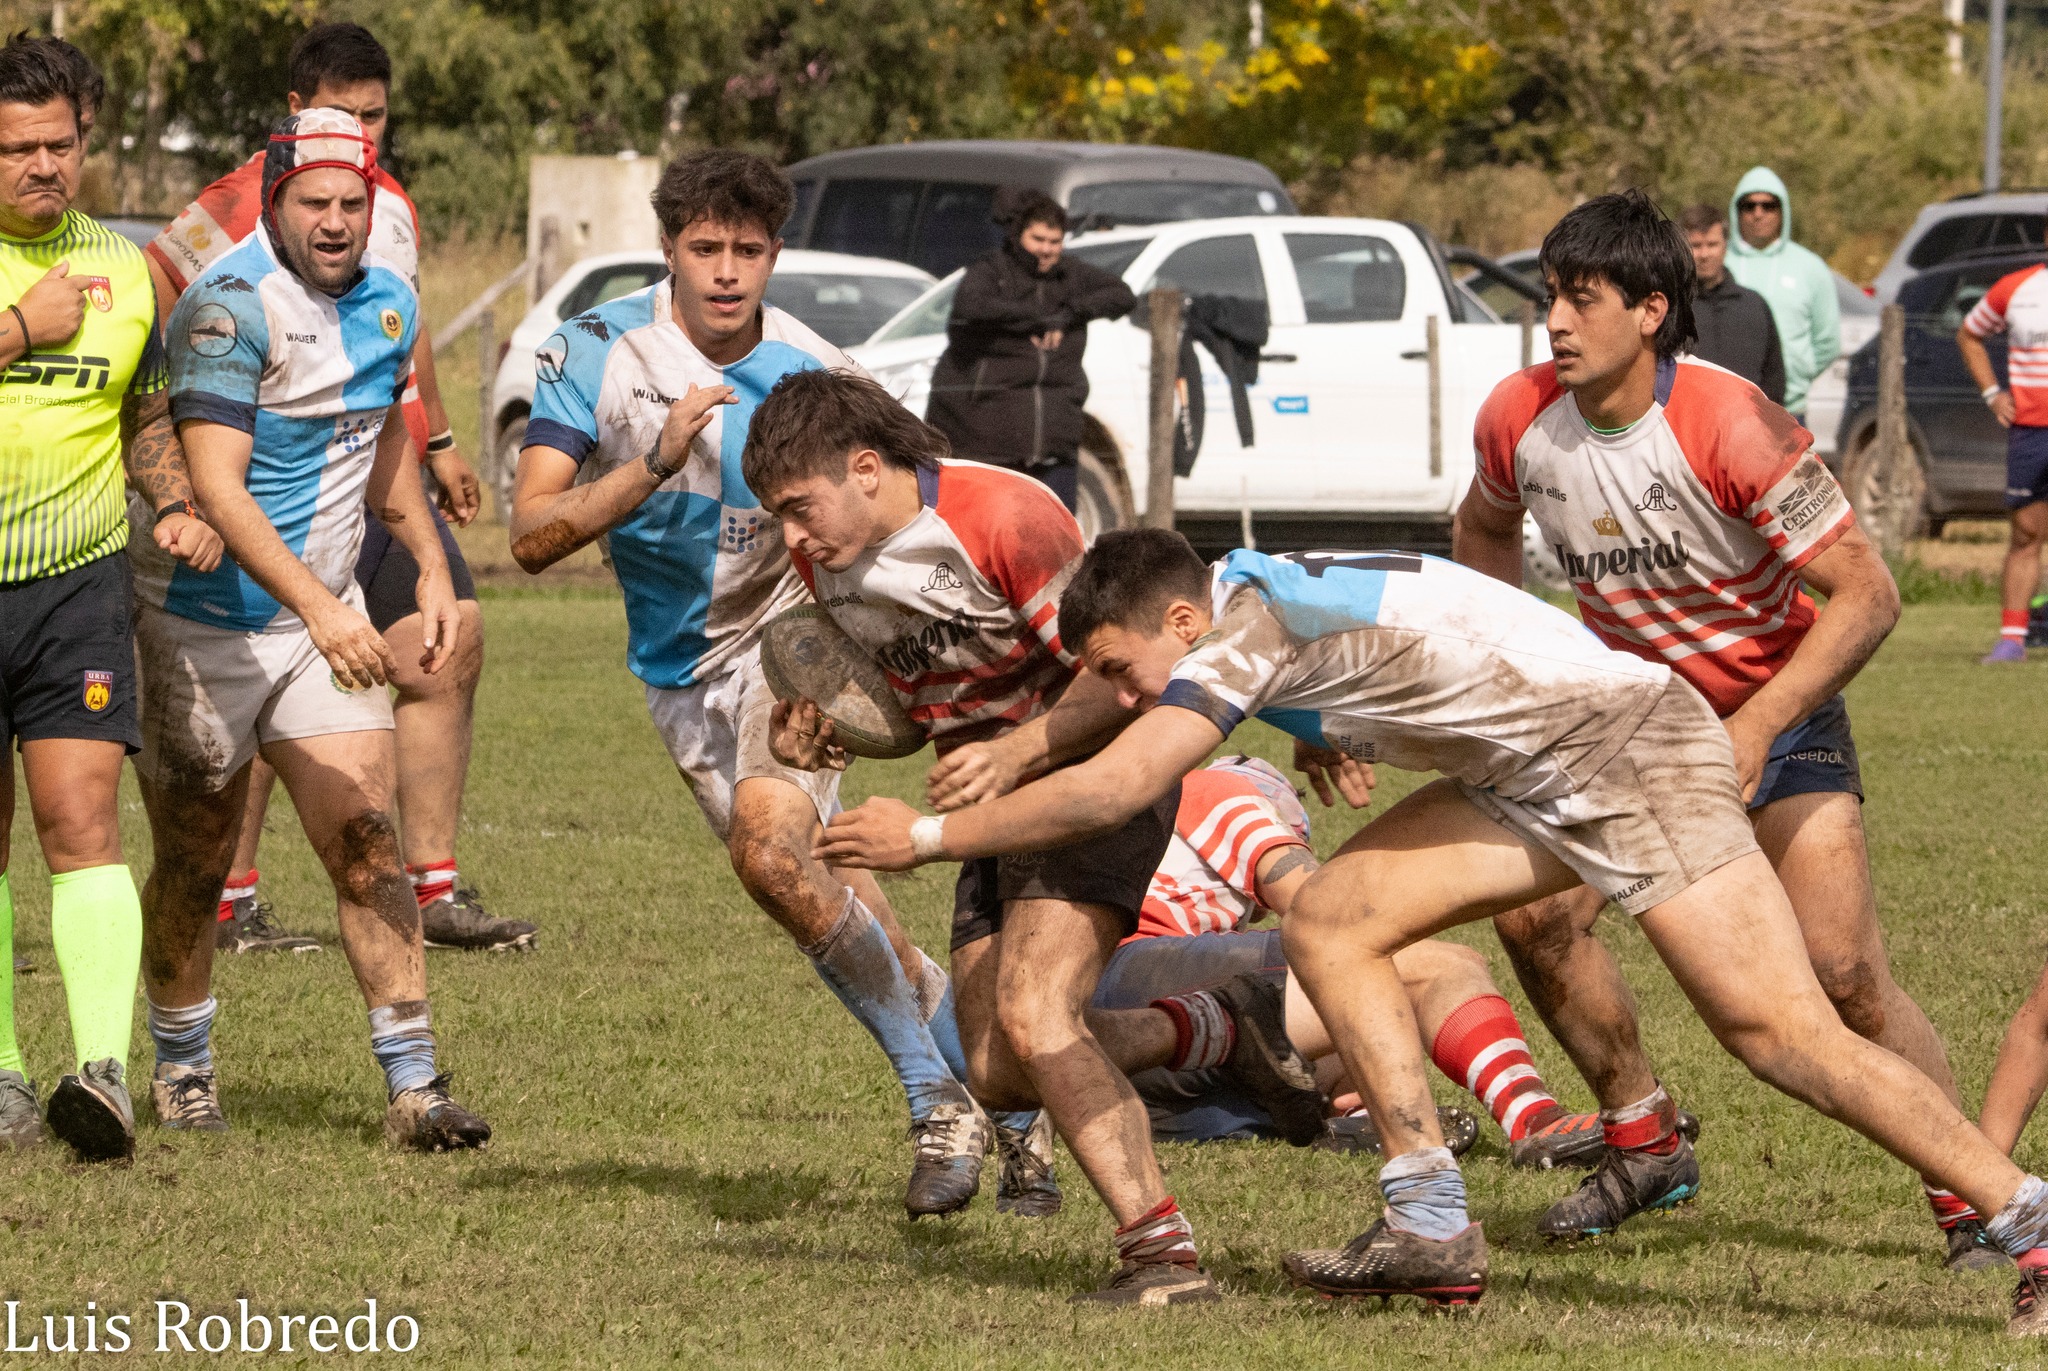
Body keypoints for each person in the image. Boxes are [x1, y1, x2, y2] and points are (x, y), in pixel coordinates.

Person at [815, 545, 2048, 1325]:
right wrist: (1317, 725)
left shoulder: (1242, 631)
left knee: (1777, 1034)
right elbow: (1401, 638)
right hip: (1539, 766)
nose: (1128, 697)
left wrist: (922, 837)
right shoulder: (1247, 597)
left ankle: (2026, 1223)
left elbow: (1115, 785)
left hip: (1622, 748)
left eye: (1124, 671)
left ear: (1182, 623)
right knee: (1331, 919)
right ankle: (1425, 1220)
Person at [1458, 191, 1999, 1268]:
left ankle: (1978, 1203)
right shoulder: (1515, 417)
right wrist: (1509, 669)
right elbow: (1481, 527)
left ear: (1651, 310)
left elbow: (1868, 595)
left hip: (1777, 714)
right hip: (1632, 727)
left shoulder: (1733, 423)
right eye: (1550, 298)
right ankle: (1644, 1140)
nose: (1554, 322)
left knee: (1843, 977)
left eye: (1581, 299)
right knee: (1536, 922)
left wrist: (1756, 724)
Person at [742, 368, 1329, 1305]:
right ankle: (1225, 1024)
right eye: (777, 515)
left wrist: (1015, 750)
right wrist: (821, 730)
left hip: (1088, 783)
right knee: (999, 1070)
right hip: (988, 812)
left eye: (798, 507)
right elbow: (916, 699)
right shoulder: (827, 562)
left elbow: (1114, 667)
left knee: (1037, 1012)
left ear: (865, 468)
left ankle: (1163, 1256)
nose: (790, 537)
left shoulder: (1003, 518)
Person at [507, 149, 994, 1218]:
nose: (726, 271)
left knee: (771, 857)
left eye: (748, 250)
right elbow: (531, 536)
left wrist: (870, 651)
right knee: (827, 893)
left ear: (776, 252)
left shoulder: (821, 372)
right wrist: (650, 463)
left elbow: (916, 505)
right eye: (704, 248)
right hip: (676, 671)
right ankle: (1003, 1090)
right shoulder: (595, 350)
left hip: (792, 647)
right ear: (668, 248)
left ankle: (936, 1103)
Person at [130, 109, 489, 1150]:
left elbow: (383, 450)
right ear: (275, 202)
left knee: (367, 839)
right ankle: (183, 1064)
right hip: (199, 627)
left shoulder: (390, 302)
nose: (335, 222)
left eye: (351, 203)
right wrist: (325, 608)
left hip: (314, 626)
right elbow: (218, 489)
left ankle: (415, 1087)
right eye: (313, 202)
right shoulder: (228, 306)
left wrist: (427, 562)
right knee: (195, 863)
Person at [143, 22, 532, 954]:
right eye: (340, 114)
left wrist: (441, 440)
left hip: (366, 474)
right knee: (268, 657)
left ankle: (431, 888)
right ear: (294, 113)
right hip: (249, 489)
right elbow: (157, 297)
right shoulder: (233, 202)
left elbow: (402, 330)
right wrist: (181, 467)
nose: (360, 133)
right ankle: (232, 901)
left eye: (375, 117)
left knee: (450, 639)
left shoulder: (386, 204)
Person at [0, 35, 218, 1162]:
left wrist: (173, 499)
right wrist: (21, 330)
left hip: (75, 582)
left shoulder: (124, 268)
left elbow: (145, 409)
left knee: (82, 823)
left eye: (59, 144)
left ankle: (101, 1075)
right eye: (16, 149)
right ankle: (0, 1075)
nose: (43, 165)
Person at [1092, 754, 1604, 1166]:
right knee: (1435, 968)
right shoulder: (1223, 788)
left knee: (1352, 1030)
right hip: (1131, 971)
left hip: (1121, 1064)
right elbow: (1321, 908)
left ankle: (1356, 1118)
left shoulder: (1162, 837)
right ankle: (1535, 1118)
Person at [924, 188, 1134, 511]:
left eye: (1055, 242)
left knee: (1054, 533)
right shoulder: (991, 271)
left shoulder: (1070, 275)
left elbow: (1122, 295)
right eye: (1038, 240)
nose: (1046, 250)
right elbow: (971, 306)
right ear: (1017, 236)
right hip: (989, 443)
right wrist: (1035, 319)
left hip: (1054, 443)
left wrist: (1069, 313)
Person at [1955, 257, 2048, 663]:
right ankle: (2013, 640)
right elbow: (1969, 335)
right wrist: (1993, 394)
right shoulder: (2014, 289)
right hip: (2031, 432)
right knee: (2026, 534)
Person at [1723, 168, 1839, 423]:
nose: (1758, 213)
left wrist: (1799, 375)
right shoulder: (1719, 263)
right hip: (1725, 409)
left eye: (1769, 205)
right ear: (1736, 211)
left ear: (1782, 210)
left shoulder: (1809, 267)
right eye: (1749, 205)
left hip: (1789, 409)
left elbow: (1827, 341)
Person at [1676, 202, 1784, 403]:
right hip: (1685, 418)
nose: (1704, 254)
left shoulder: (1754, 306)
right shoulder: (1670, 308)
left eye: (1712, 244)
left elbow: (1774, 378)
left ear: (1725, 246)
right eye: (1696, 246)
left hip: (1747, 418)